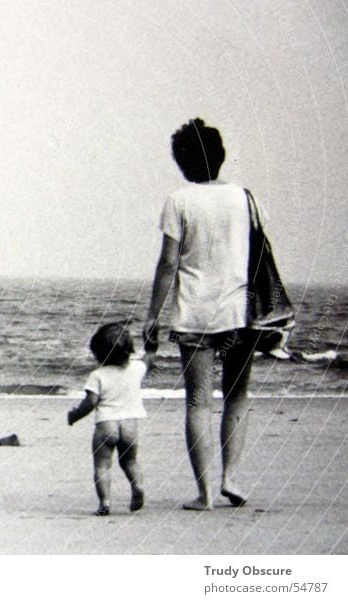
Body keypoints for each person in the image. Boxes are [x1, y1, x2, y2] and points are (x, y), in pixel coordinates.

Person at [144, 118, 263, 511]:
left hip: (194, 314)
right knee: (237, 397)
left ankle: (206, 492)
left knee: (197, 402)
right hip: (240, 313)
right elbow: (258, 258)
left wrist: (152, 317)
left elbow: (168, 264)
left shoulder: (179, 201)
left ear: (182, 161)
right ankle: (231, 478)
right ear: (220, 156)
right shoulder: (246, 198)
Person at [67, 322, 152, 516]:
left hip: (106, 425)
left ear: (98, 353)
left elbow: (90, 402)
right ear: (129, 349)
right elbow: (149, 359)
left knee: (102, 465)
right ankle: (138, 485)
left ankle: (104, 503)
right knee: (130, 461)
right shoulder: (137, 368)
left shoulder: (97, 375)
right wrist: (150, 344)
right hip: (130, 425)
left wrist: (74, 416)